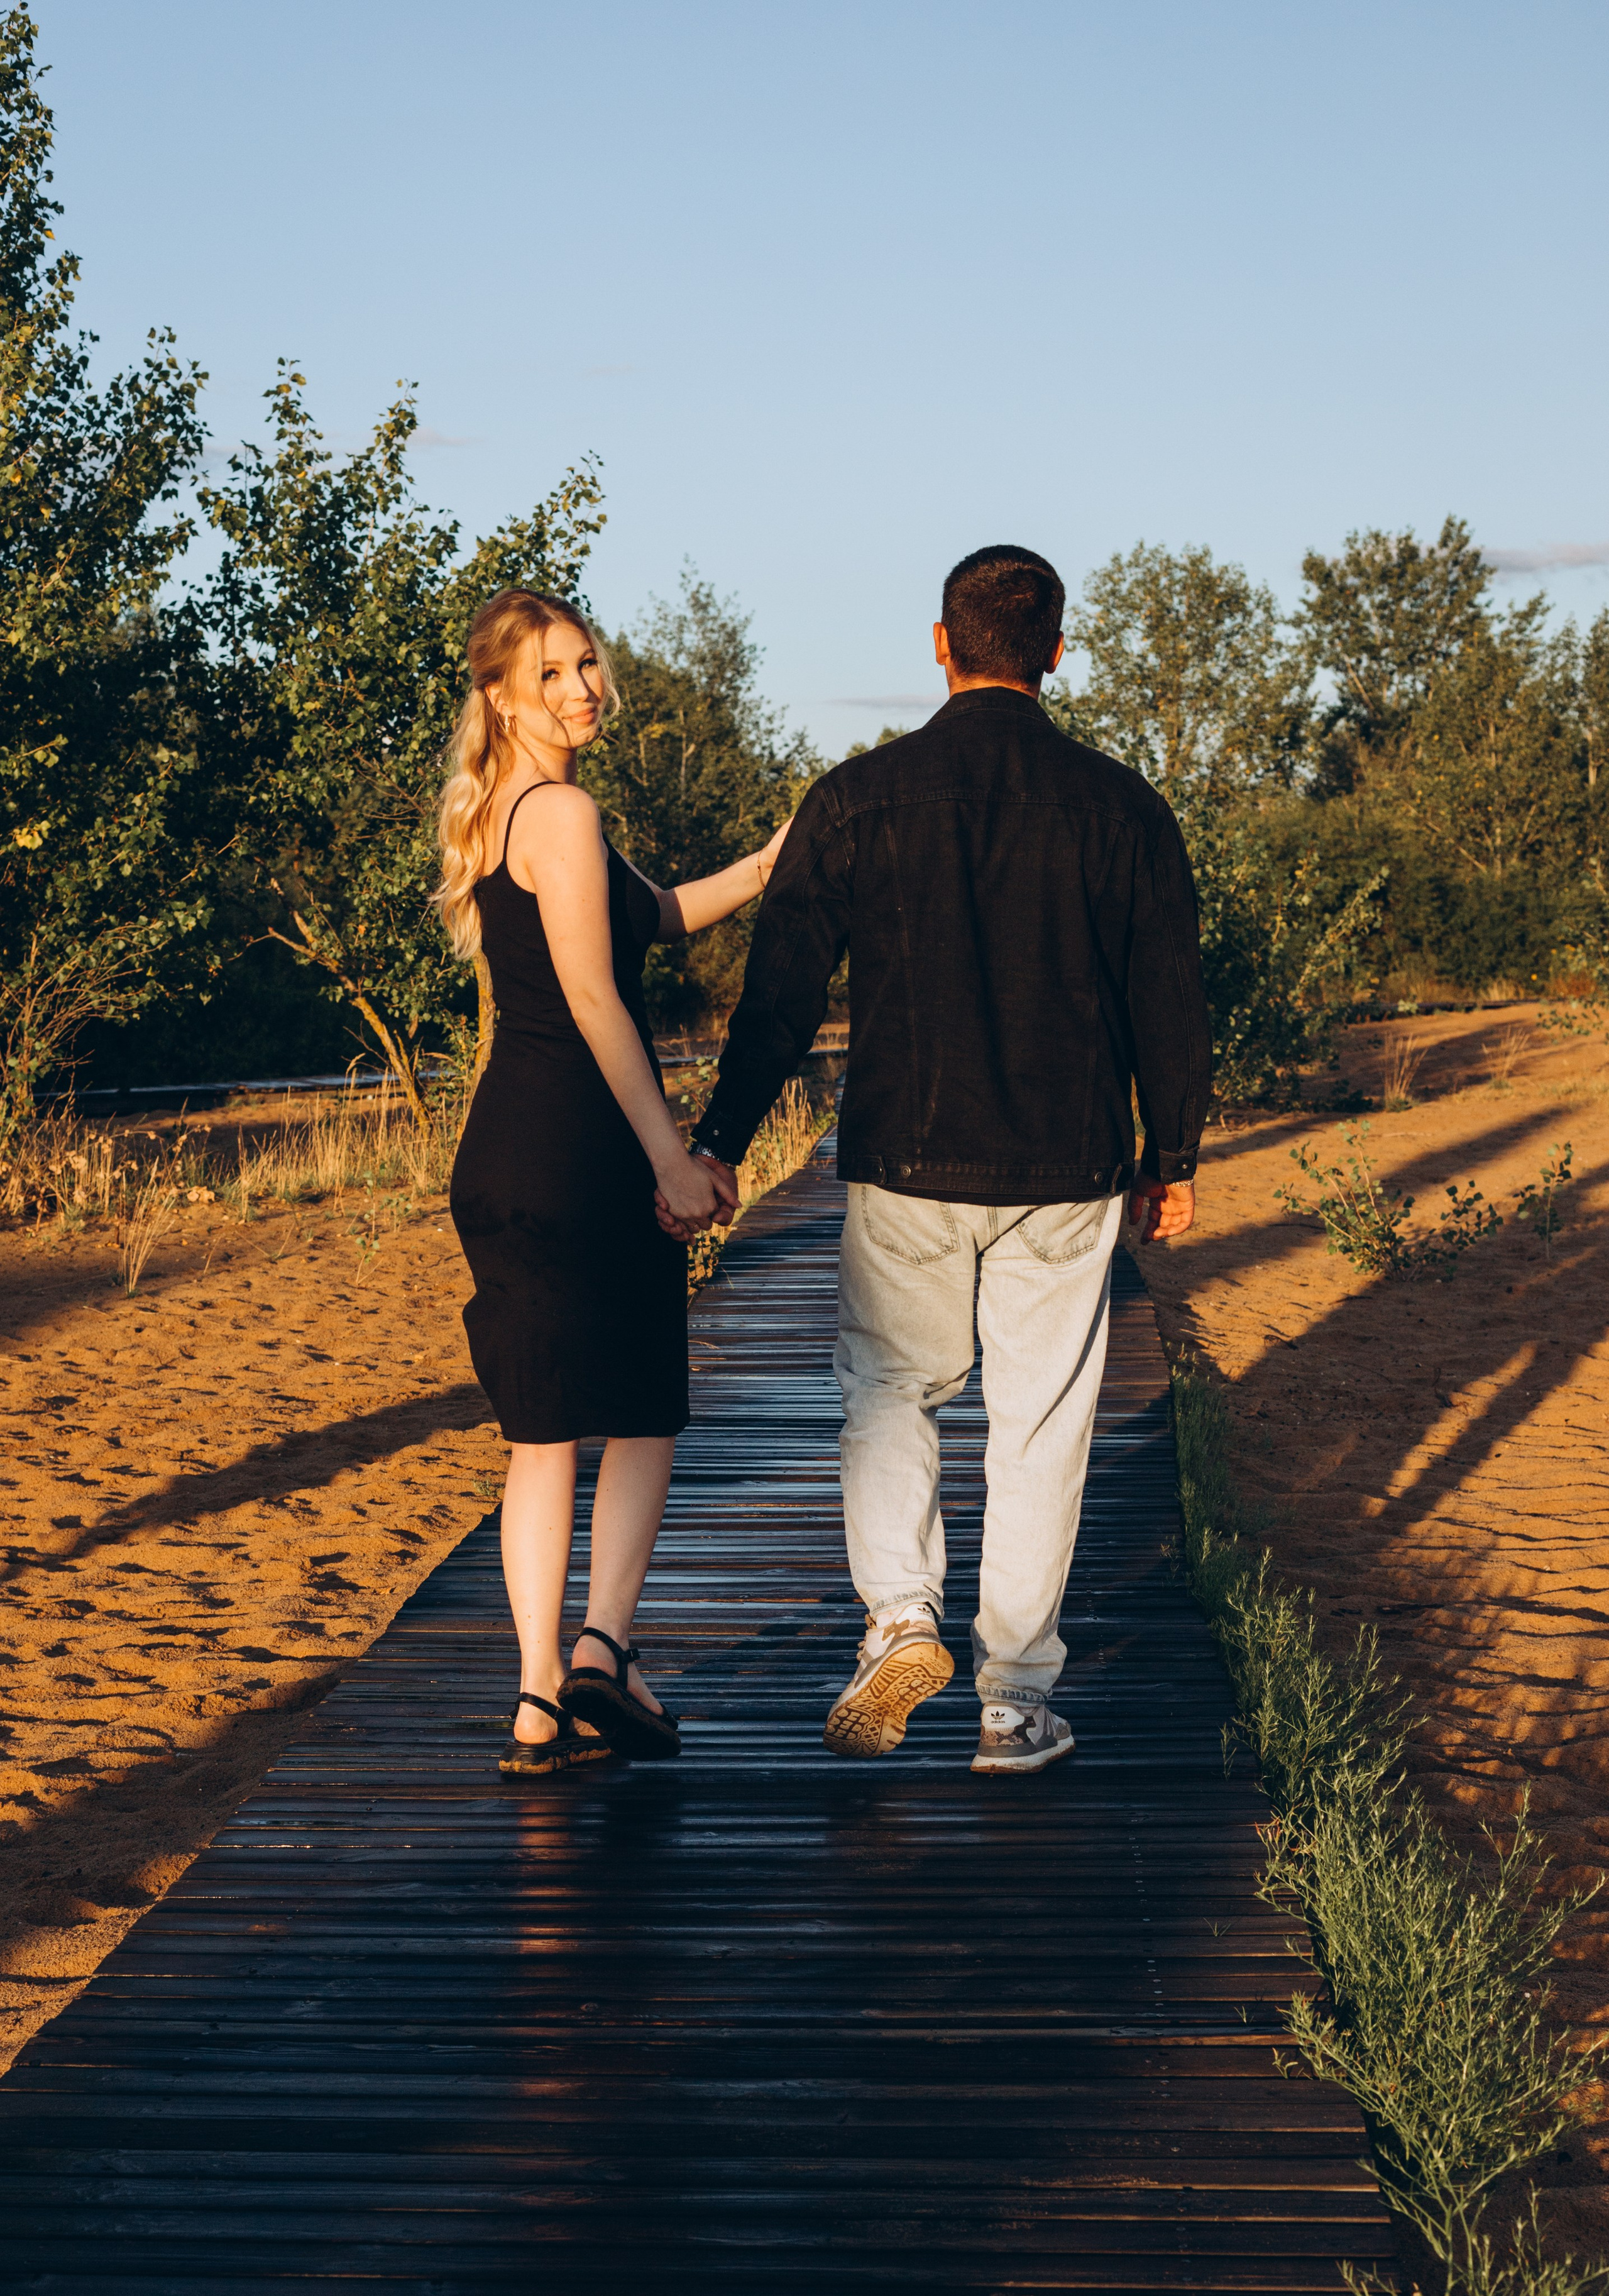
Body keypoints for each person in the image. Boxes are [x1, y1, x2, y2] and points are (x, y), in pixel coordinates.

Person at [689, 546, 1209, 1775]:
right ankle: (1013, 1705)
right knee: (1039, 1424)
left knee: (888, 1392)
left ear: (939, 644)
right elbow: (1166, 995)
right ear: (1055, 653)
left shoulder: (860, 795)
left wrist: (719, 1139)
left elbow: (778, 994)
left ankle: (898, 1619)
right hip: (1066, 1165)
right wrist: (1169, 1150)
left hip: (903, 1158)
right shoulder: (1122, 805)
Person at [434, 588, 788, 1776]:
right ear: (500, 692)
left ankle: (538, 1705)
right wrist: (672, 1160)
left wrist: (773, 860)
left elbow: (664, 918)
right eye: (553, 675)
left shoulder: (511, 816)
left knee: (541, 1440)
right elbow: (596, 998)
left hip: (504, 1159)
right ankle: (606, 1650)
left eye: (588, 665)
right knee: (638, 1412)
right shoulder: (566, 813)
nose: (585, 689)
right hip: (581, 1157)